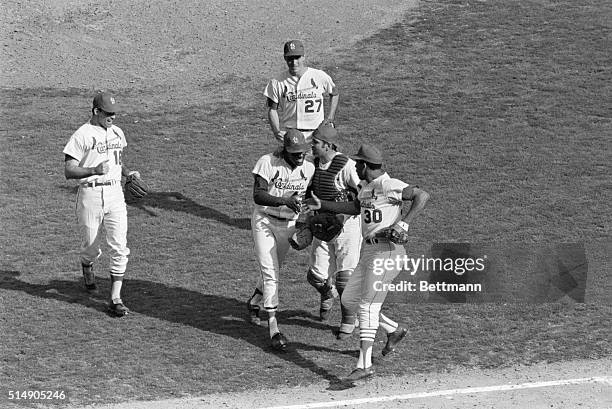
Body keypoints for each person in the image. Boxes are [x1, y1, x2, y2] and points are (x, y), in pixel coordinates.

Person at [305, 144, 430, 381]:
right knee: (349, 299)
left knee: (367, 306)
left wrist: (404, 223)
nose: (356, 166)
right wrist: (324, 205)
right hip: (369, 253)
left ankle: (364, 365)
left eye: (358, 163)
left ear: (366, 165)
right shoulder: (366, 187)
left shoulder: (388, 184)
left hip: (388, 254)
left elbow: (422, 196)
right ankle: (394, 329)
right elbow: (354, 207)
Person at [63, 91, 141, 317]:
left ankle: (115, 298)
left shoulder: (117, 132)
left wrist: (128, 173)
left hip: (116, 193)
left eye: (114, 113)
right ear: (96, 111)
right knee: (91, 246)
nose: (112, 117)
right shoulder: (82, 135)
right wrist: (93, 170)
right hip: (91, 194)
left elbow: (118, 160)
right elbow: (69, 171)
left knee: (120, 246)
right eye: (108, 113)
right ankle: (87, 264)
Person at [247, 129, 315, 351]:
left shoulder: (309, 168)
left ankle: (254, 301)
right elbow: (258, 195)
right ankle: (274, 328)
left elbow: (311, 198)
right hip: (264, 221)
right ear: (285, 150)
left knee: (274, 268)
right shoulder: (267, 162)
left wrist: (308, 220)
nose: (299, 157)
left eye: (302, 152)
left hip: (289, 225)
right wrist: (284, 201)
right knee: (270, 272)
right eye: (295, 153)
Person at [306, 124, 362, 337]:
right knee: (315, 276)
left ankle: (349, 320)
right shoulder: (313, 163)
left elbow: (360, 200)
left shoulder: (346, 165)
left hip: (346, 228)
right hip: (321, 228)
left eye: (316, 143)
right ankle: (326, 293)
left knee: (344, 279)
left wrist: (333, 209)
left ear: (328, 145)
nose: (312, 146)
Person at [263, 40, 339, 143]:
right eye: (290, 58)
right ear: (285, 58)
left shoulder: (319, 76)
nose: (294, 62)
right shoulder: (277, 82)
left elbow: (334, 93)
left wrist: (330, 118)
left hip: (316, 134)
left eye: (297, 57)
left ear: (303, 57)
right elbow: (272, 110)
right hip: (291, 135)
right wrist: (276, 131)